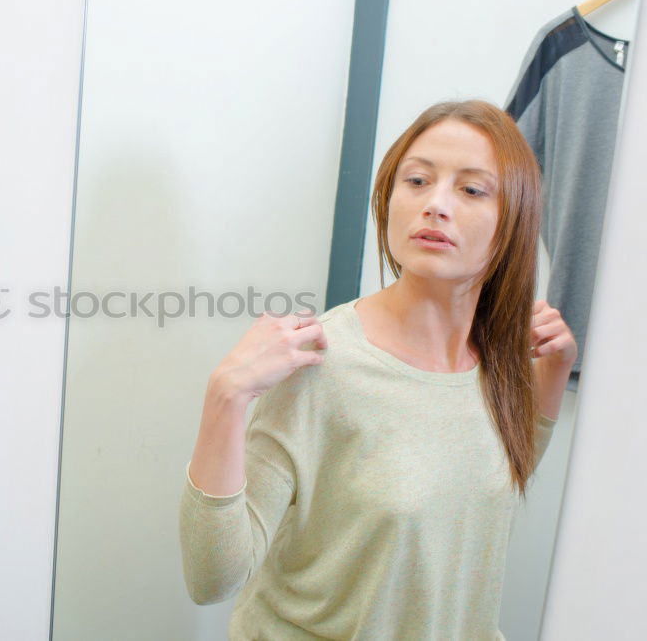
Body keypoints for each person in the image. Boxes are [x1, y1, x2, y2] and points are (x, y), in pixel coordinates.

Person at [180, 99, 577, 639]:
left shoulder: (502, 365)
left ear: (515, 221)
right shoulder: (321, 362)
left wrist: (555, 371)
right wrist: (226, 395)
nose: (436, 204)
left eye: (471, 189)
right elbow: (214, 577)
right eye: (417, 181)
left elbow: (487, 487)